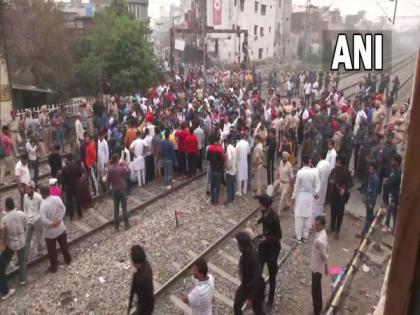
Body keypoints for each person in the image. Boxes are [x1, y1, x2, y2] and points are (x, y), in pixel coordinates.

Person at [253, 195, 282, 312]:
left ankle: (270, 301)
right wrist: (258, 221)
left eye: (261, 203)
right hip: (263, 249)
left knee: (272, 276)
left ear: (266, 205)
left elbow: (279, 236)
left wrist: (266, 239)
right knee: (258, 273)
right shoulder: (264, 211)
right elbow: (263, 218)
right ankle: (258, 296)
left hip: (272, 251)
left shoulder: (275, 218)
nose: (259, 206)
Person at [40, 185, 71, 273]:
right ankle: (68, 260)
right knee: (64, 246)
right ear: (49, 191)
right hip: (60, 227)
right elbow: (63, 209)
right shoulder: (57, 198)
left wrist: (51, 223)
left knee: (52, 251)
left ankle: (54, 267)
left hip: (50, 232)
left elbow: (42, 219)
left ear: (42, 194)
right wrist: (59, 219)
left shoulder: (43, 205)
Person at [233, 231, 265, 315]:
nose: (238, 247)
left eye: (239, 245)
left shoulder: (252, 259)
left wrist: (250, 298)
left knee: (258, 310)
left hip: (255, 288)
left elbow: (257, 280)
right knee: (237, 304)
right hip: (246, 284)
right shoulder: (249, 249)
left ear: (244, 247)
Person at [0, 197, 27, 289]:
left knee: (5, 261)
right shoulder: (21, 214)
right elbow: (25, 226)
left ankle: (3, 275)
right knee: (22, 261)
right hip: (22, 241)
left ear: (6, 207)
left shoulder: (4, 219)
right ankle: (23, 279)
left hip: (10, 244)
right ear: (14, 204)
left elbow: (3, 232)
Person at [292, 155, 320, 243]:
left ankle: (298, 237)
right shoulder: (313, 173)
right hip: (310, 196)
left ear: (303, 162)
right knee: (307, 216)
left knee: (299, 216)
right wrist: (315, 193)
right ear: (309, 162)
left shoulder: (300, 173)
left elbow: (296, 187)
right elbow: (316, 185)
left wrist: (293, 197)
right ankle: (305, 236)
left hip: (301, 196)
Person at [329, 155, 353, 239]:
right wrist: (331, 181)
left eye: (339, 161)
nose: (338, 163)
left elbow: (351, 183)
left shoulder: (346, 172)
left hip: (341, 197)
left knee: (339, 214)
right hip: (333, 195)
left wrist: (344, 188)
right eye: (337, 161)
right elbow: (330, 178)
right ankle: (332, 227)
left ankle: (337, 230)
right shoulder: (334, 170)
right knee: (333, 212)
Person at [128, 245, 154, 315]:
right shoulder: (147, 265)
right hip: (148, 305)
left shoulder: (140, 278)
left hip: (144, 308)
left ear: (135, 262)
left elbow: (143, 297)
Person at [311, 215, 329, 315]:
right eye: (315, 223)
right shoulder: (323, 234)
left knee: (314, 291)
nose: (315, 226)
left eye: (317, 225)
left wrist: (326, 267)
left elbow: (325, 255)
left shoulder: (319, 240)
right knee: (317, 288)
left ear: (322, 225)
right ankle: (319, 308)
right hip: (318, 266)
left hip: (317, 267)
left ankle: (316, 311)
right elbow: (328, 248)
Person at [107, 154, 130, 231]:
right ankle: (127, 225)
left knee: (116, 209)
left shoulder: (110, 170)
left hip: (114, 190)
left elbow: (107, 181)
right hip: (122, 189)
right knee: (124, 208)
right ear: (117, 160)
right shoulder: (121, 168)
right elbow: (129, 172)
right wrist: (125, 165)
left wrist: (108, 190)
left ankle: (117, 227)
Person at [23, 181, 44, 259]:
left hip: (37, 220)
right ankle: (25, 256)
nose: (27, 190)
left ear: (33, 188)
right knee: (26, 238)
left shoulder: (39, 197)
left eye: (29, 189)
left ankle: (40, 252)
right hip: (29, 220)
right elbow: (25, 209)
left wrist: (35, 219)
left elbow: (41, 211)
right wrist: (27, 220)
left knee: (39, 238)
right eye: (26, 188)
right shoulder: (25, 196)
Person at [382, 154, 402, 232]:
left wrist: (385, 200)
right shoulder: (395, 170)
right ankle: (388, 226)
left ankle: (394, 229)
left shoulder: (398, 172)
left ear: (396, 162)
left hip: (395, 196)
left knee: (394, 213)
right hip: (393, 195)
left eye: (392, 160)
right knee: (390, 211)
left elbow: (388, 184)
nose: (391, 162)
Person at [360, 163, 380, 236]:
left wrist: (372, 202)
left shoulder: (375, 179)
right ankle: (370, 229)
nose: (369, 170)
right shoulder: (371, 176)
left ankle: (365, 232)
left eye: (371, 169)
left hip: (371, 201)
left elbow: (374, 192)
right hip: (368, 199)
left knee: (369, 217)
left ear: (374, 169)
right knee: (369, 216)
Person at [61, 154, 83, 219]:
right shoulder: (76, 166)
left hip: (68, 186)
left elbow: (63, 179)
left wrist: (63, 187)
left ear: (67, 160)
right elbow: (79, 175)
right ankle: (80, 214)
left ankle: (71, 215)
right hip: (76, 185)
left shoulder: (64, 169)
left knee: (69, 201)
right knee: (77, 199)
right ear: (72, 159)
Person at [312, 154, 331, 223]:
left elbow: (316, 176)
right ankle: (319, 215)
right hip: (325, 184)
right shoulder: (328, 164)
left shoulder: (319, 165)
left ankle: (316, 218)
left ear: (320, 156)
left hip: (319, 185)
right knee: (321, 201)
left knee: (316, 202)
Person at [206, 133, 225, 205]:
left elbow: (207, 158)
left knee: (212, 185)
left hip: (212, 168)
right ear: (218, 141)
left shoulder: (210, 148)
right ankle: (216, 201)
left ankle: (212, 199)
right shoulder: (220, 149)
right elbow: (223, 160)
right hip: (218, 170)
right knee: (217, 186)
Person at [225, 137, 237, 204]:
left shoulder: (228, 148)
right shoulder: (233, 148)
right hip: (234, 168)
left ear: (226, 142)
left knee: (229, 185)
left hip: (230, 170)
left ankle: (229, 199)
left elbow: (229, 158)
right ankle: (232, 197)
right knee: (232, 184)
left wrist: (227, 166)